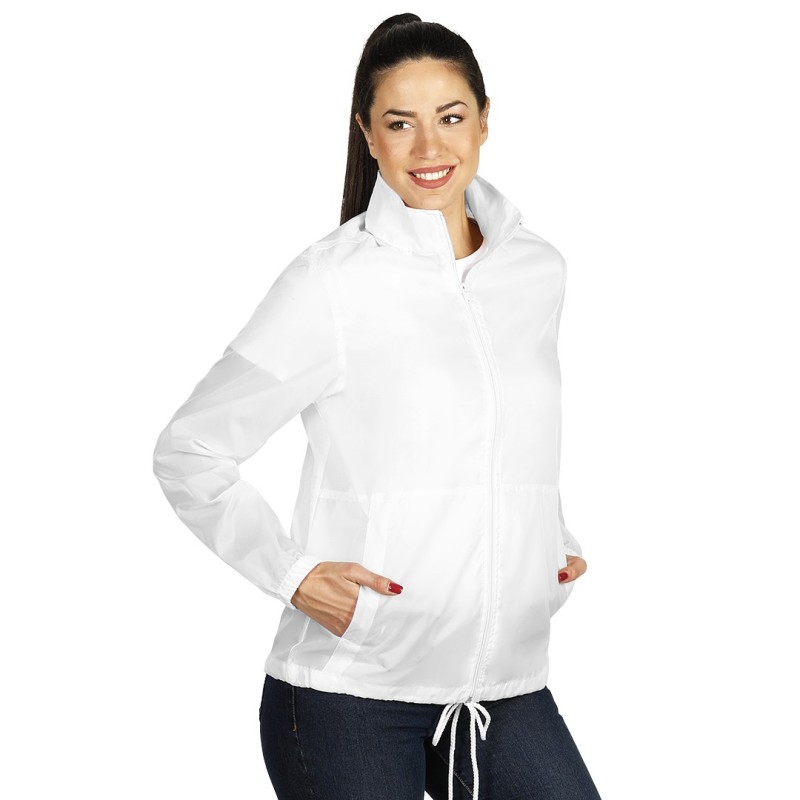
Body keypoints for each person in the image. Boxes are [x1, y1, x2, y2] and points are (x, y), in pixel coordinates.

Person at [153, 12, 601, 800]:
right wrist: (293, 575)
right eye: (400, 123)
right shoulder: (330, 283)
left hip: (502, 688)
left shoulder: (537, 271)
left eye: (450, 117)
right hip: (350, 693)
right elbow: (190, 451)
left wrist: (544, 541)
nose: (429, 147)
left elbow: (507, 427)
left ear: (485, 120)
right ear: (367, 134)